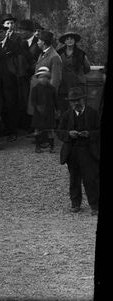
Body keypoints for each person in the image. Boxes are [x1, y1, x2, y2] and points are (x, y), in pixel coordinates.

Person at [57, 87, 99, 215]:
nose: (76, 103)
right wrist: (69, 134)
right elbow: (59, 132)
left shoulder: (93, 113)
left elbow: (99, 130)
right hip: (72, 151)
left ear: (83, 99)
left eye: (78, 100)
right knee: (74, 179)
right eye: (73, 101)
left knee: (91, 179)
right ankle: (75, 204)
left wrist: (90, 134)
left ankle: (95, 206)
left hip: (88, 151)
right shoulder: (66, 115)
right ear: (70, 102)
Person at [0, 22, 24, 140]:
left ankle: (13, 131)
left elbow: (20, 62)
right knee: (2, 105)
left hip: (11, 81)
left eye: (1, 32)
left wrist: (18, 76)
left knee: (12, 105)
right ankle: (5, 129)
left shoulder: (13, 45)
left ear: (5, 32)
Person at [57, 32, 91, 111]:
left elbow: (87, 68)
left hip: (76, 83)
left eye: (71, 39)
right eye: (67, 39)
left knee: (77, 105)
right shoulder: (59, 53)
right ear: (64, 41)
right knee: (64, 105)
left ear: (75, 41)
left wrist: (79, 75)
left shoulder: (81, 53)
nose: (70, 41)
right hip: (64, 83)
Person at [28, 66, 59, 153]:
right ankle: (38, 146)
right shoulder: (35, 89)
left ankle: (52, 147)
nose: (43, 79)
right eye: (41, 77)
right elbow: (33, 101)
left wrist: (58, 109)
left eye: (45, 77)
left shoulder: (52, 89)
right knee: (37, 130)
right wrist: (37, 107)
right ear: (38, 78)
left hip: (49, 112)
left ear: (48, 78)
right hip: (38, 113)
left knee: (50, 130)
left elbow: (56, 100)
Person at [32, 30, 63, 114]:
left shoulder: (54, 57)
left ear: (44, 42)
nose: (37, 42)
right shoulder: (42, 54)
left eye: (39, 40)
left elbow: (55, 81)